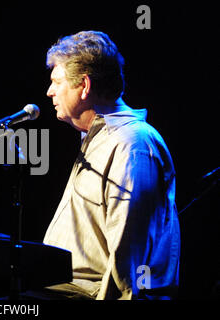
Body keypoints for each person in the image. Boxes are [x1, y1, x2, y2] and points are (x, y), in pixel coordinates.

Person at [41, 31, 180, 300]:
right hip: (63, 289)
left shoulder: (132, 144)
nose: (49, 92)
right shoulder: (97, 139)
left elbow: (130, 255)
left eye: (56, 82)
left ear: (84, 86)